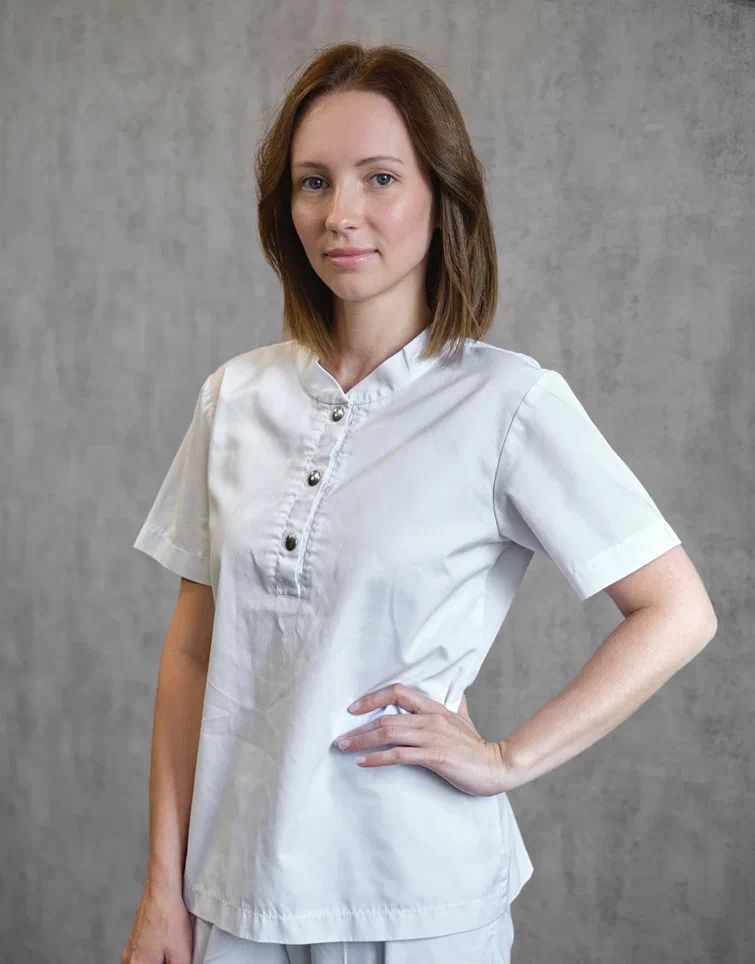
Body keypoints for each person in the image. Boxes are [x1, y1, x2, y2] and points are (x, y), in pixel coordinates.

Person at [121, 42, 717, 964]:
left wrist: (507, 759)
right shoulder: (234, 399)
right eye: (313, 182)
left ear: (442, 197)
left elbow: (676, 611)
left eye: (380, 178)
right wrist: (164, 887)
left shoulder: (507, 403)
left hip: (416, 904)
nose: (340, 213)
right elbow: (194, 655)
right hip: (231, 896)